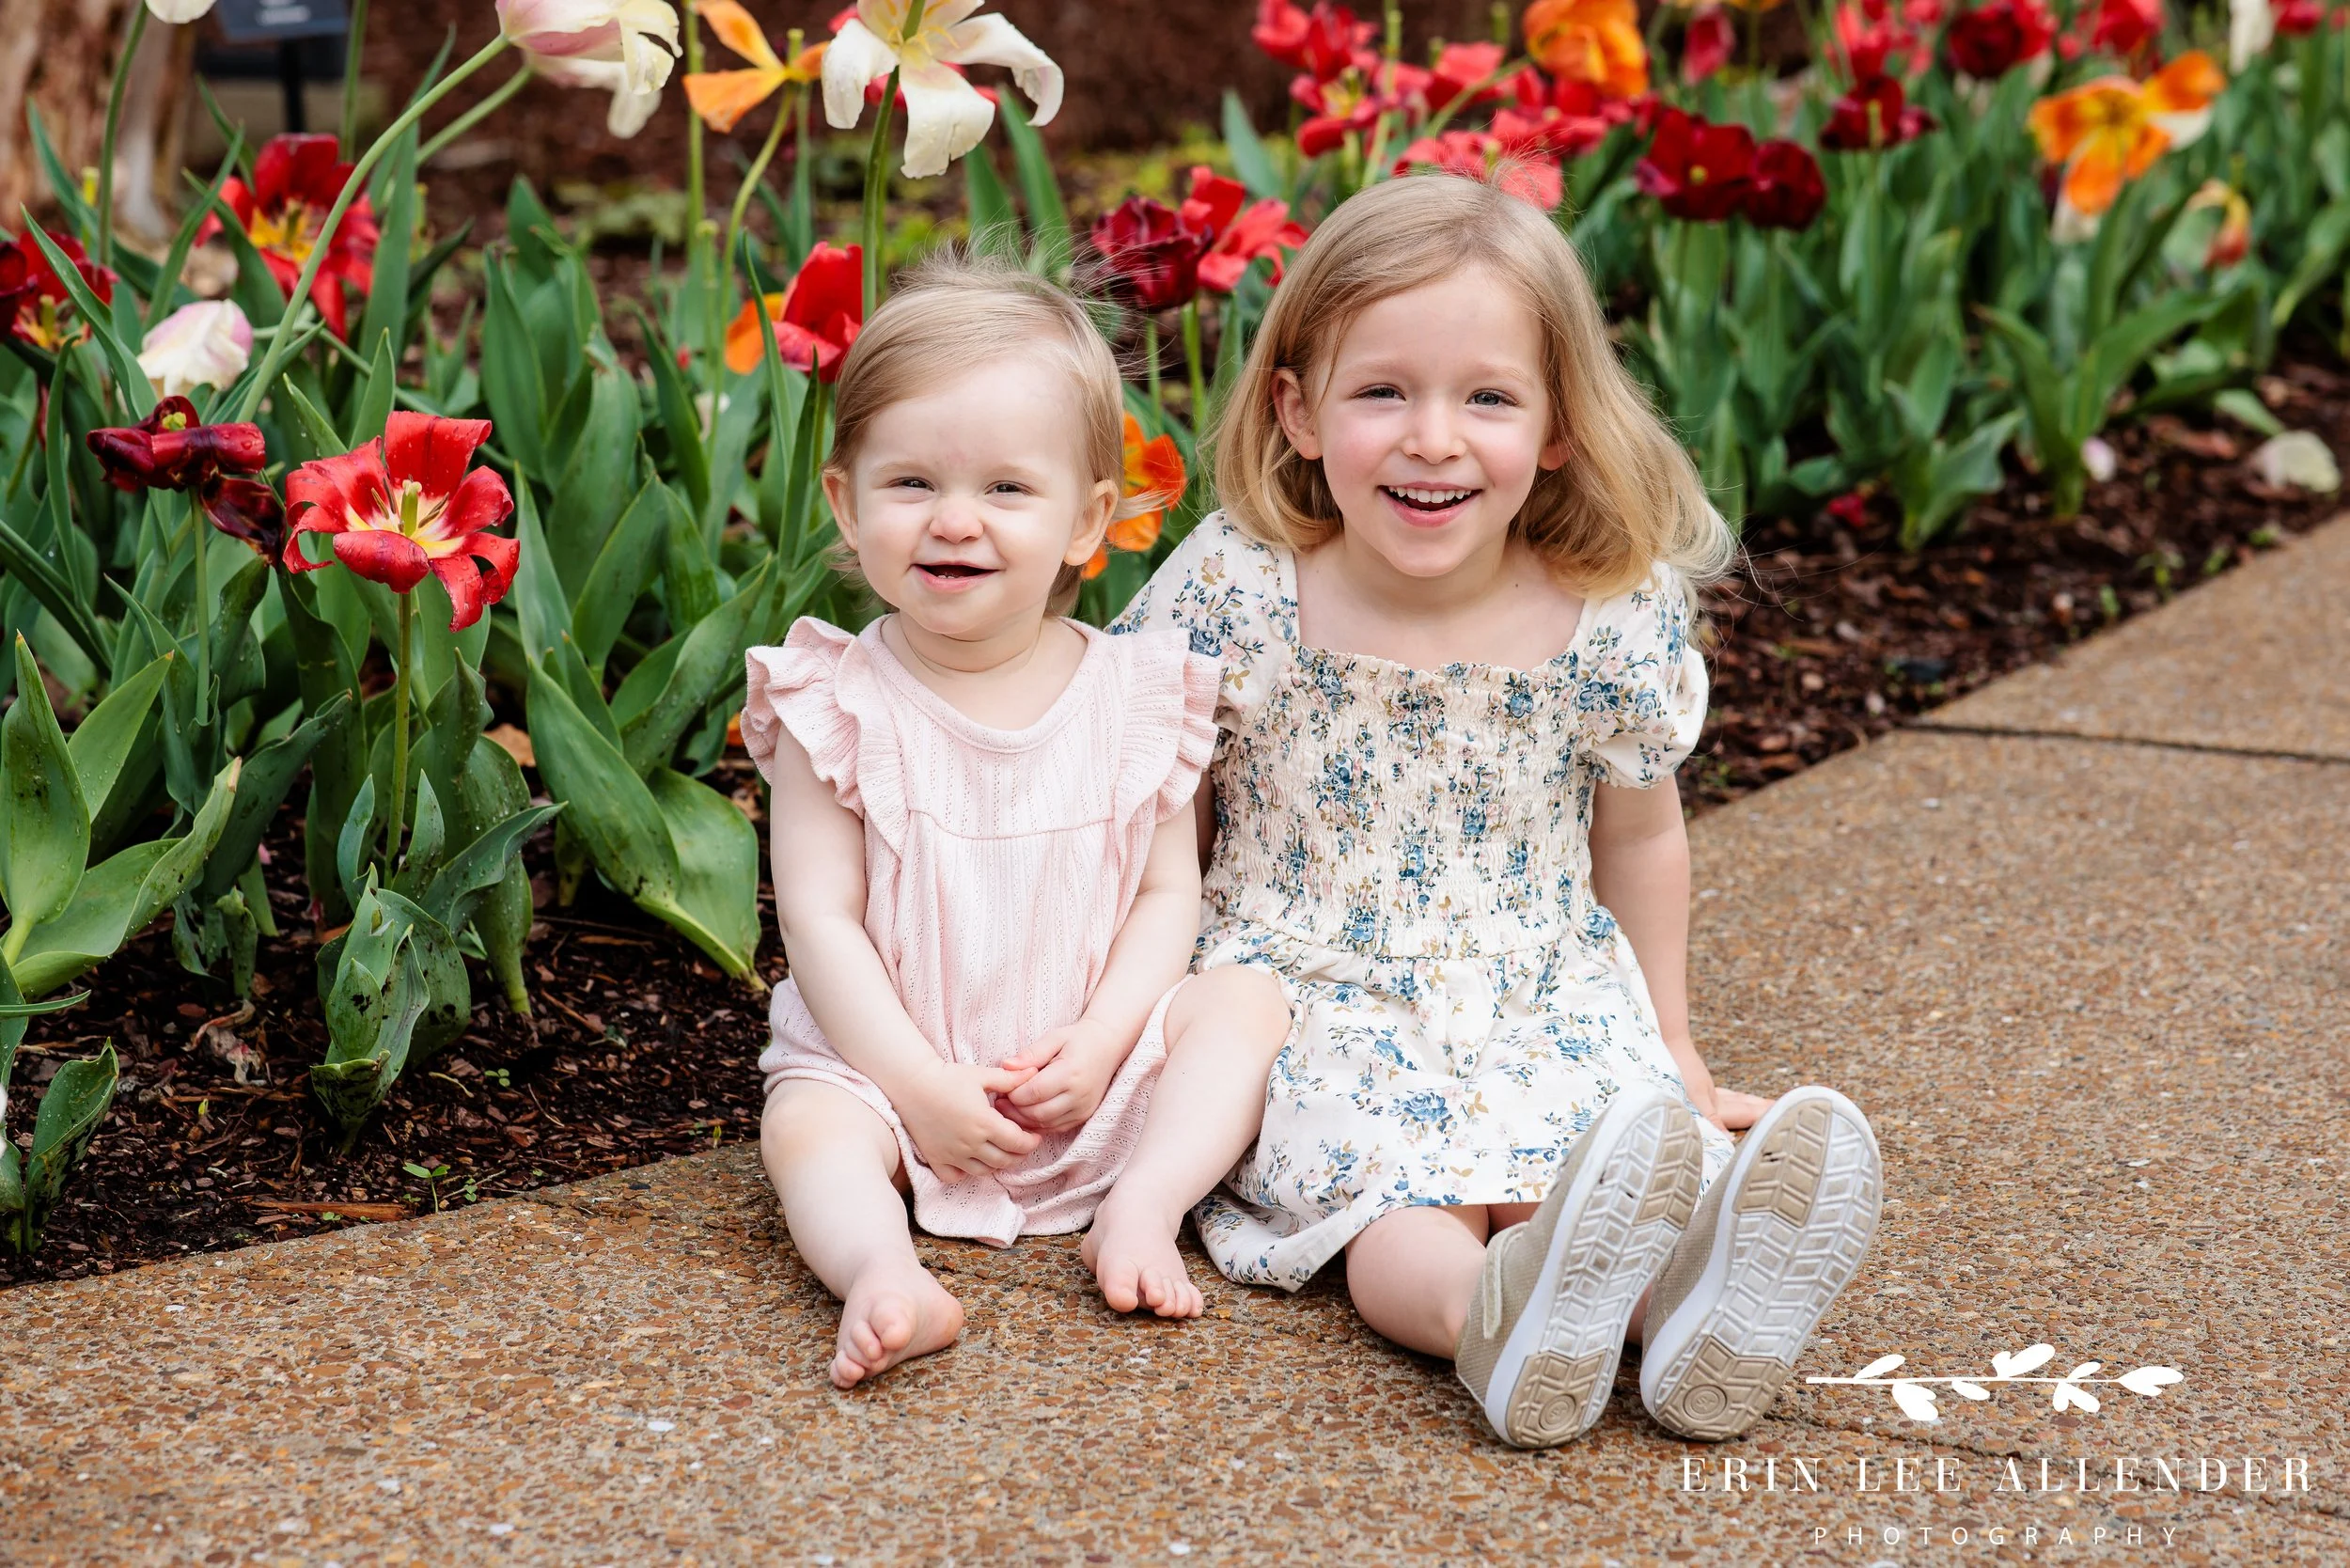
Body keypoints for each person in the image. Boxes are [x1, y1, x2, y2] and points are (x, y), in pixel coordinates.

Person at [1098, 174, 1885, 1447]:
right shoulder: (1244, 586)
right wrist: (1142, 1022)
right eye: (1382, 392)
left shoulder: (1608, 608)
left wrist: (1673, 1045)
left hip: (1541, 981)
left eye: (1488, 398)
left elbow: (1640, 834)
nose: (1433, 438)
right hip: (1311, 991)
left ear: (1560, 425)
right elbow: (1159, 819)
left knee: (1602, 1168)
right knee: (1397, 1212)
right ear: (1295, 409)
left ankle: (1689, 1309)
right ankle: (1497, 1318)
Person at [739, 257, 1289, 1390]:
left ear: (1089, 520)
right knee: (804, 1126)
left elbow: (1163, 896)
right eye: (909, 484)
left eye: (1005, 489)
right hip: (894, 1071)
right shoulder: (832, 703)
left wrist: (1099, 1047)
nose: (954, 521)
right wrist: (915, 1086)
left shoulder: (1144, 697)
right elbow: (821, 922)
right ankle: (882, 1273)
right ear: (843, 501)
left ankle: (1140, 1208)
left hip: (1094, 1064)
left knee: (1242, 1005)